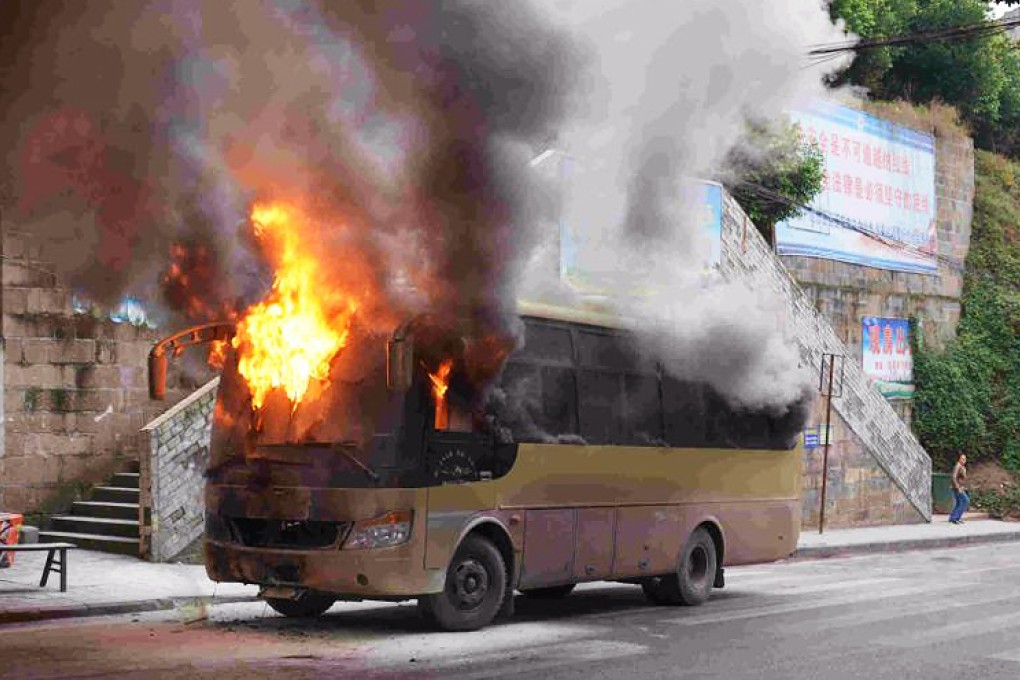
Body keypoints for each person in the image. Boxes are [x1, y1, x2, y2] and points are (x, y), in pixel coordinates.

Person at [949, 454, 969, 525]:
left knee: (958, 503)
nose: (964, 460)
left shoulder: (961, 467)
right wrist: (958, 488)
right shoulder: (958, 466)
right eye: (962, 459)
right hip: (957, 488)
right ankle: (956, 518)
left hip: (958, 487)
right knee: (965, 501)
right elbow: (953, 477)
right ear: (959, 459)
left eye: (965, 459)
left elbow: (961, 478)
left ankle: (953, 518)